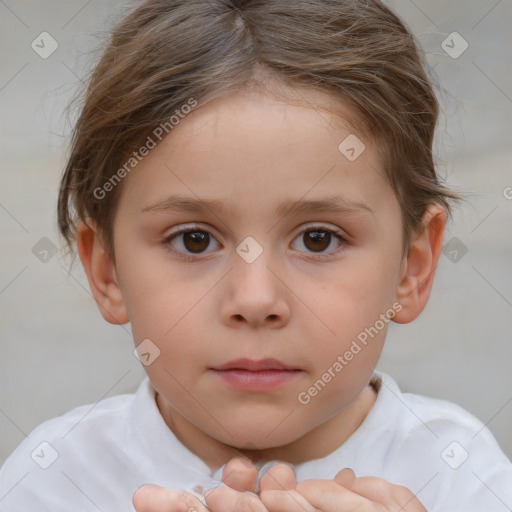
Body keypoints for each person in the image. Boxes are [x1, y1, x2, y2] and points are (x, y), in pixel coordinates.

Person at [1, 0, 511, 510]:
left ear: (411, 267)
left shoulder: (459, 476)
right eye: (194, 240)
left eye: (318, 239)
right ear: (108, 270)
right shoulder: (54, 480)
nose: (255, 299)